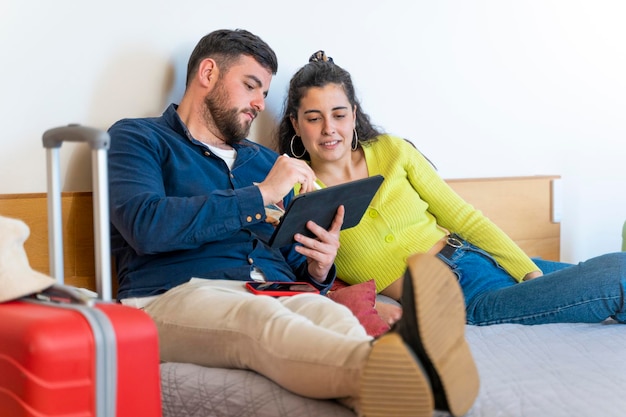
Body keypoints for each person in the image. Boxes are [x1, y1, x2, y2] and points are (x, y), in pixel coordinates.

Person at [107, 30, 479, 417]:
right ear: (208, 73)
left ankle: (405, 385)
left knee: (329, 315)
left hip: (273, 289)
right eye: (251, 86)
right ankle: (410, 368)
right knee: (257, 320)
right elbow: (146, 226)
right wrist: (262, 194)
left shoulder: (265, 161)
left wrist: (318, 266)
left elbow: (289, 256)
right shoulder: (139, 138)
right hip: (172, 296)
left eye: (264, 93)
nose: (258, 103)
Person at [277, 50, 626, 326]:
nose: (329, 129)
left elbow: (465, 219)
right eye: (313, 118)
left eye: (338, 114)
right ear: (295, 123)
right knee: (616, 277)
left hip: (480, 257)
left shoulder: (392, 150)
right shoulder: (297, 191)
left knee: (621, 265)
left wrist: (527, 273)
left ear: (353, 114)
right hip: (461, 298)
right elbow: (304, 281)